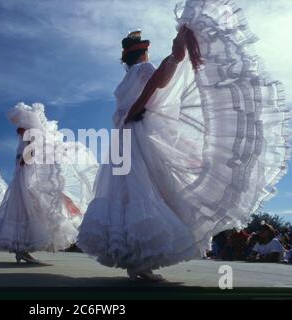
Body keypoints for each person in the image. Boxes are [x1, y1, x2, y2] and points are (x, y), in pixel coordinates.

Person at [78, 0, 289, 281]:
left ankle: (136, 260)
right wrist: (183, 37)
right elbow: (159, 83)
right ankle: (140, 263)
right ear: (143, 53)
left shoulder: (124, 81)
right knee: (149, 192)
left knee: (131, 194)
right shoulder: (143, 70)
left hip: (124, 140)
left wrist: (180, 45)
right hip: (138, 135)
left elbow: (144, 93)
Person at [0, 103, 98, 263]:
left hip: (23, 173)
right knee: (31, 209)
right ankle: (22, 250)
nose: (18, 127)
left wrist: (27, 159)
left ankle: (21, 250)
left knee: (28, 209)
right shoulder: (29, 135)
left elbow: (29, 152)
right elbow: (28, 153)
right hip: (25, 174)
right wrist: (27, 159)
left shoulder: (28, 135)